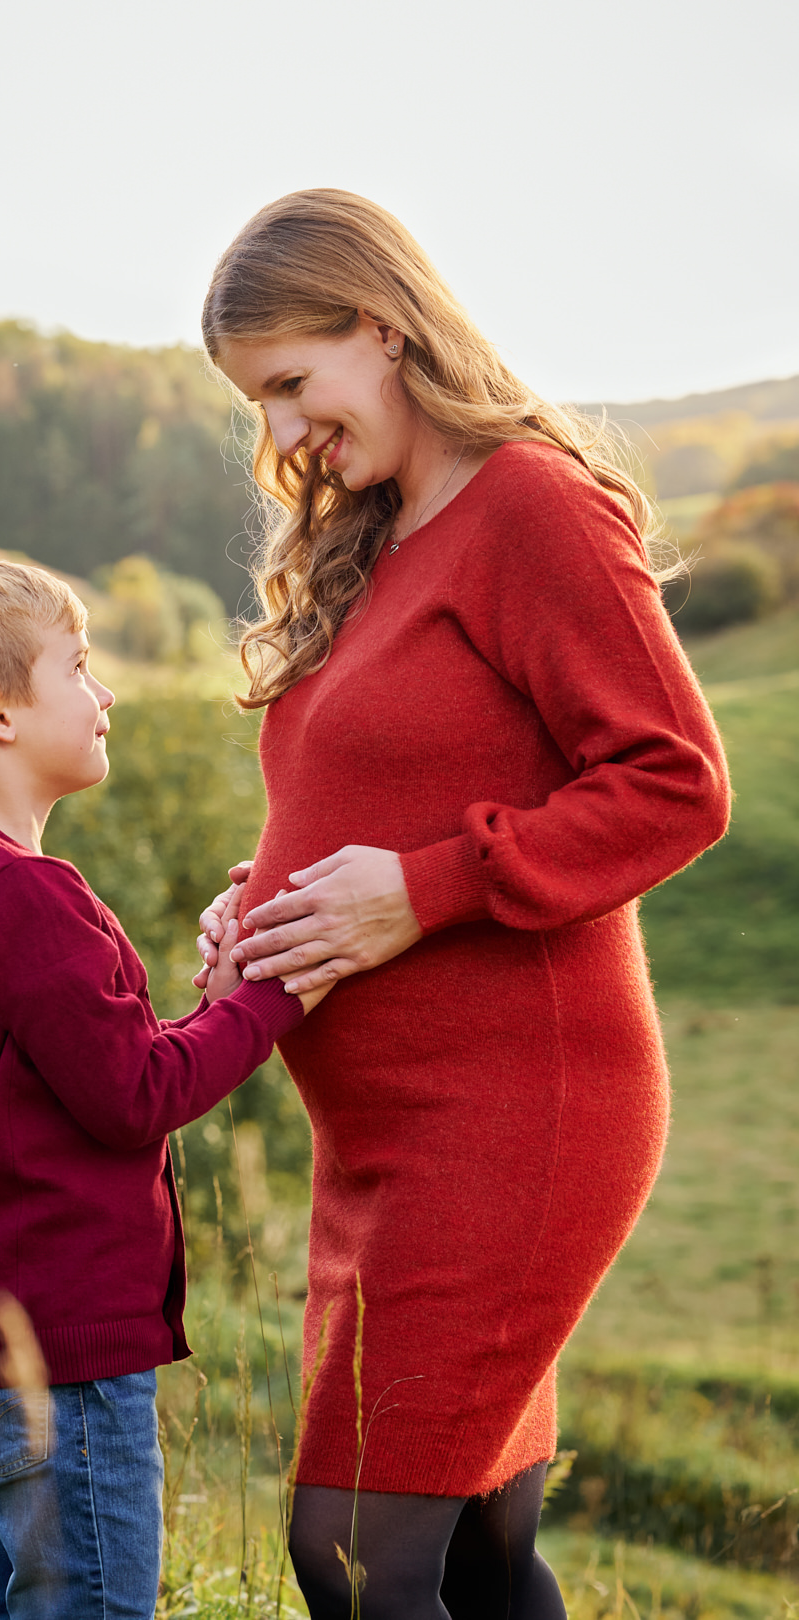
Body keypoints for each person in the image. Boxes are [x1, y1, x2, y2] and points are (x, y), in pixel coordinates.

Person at [195, 190, 730, 1619]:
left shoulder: (531, 507)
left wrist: (425, 894)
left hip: (510, 1119)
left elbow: (676, 781)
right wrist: (260, 901)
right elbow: (373, 791)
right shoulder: (371, 544)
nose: (287, 432)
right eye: (264, 403)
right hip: (375, 1141)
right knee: (480, 1560)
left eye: (295, 384)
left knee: (356, 1554)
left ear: (382, 325)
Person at [0, 556, 326, 1620]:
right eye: (78, 666)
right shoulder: (21, 892)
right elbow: (135, 1095)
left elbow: (87, 1071)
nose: (103, 692)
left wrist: (220, 1003)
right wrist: (280, 993)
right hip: (64, 1345)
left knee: (9, 1601)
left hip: (8, 1333)